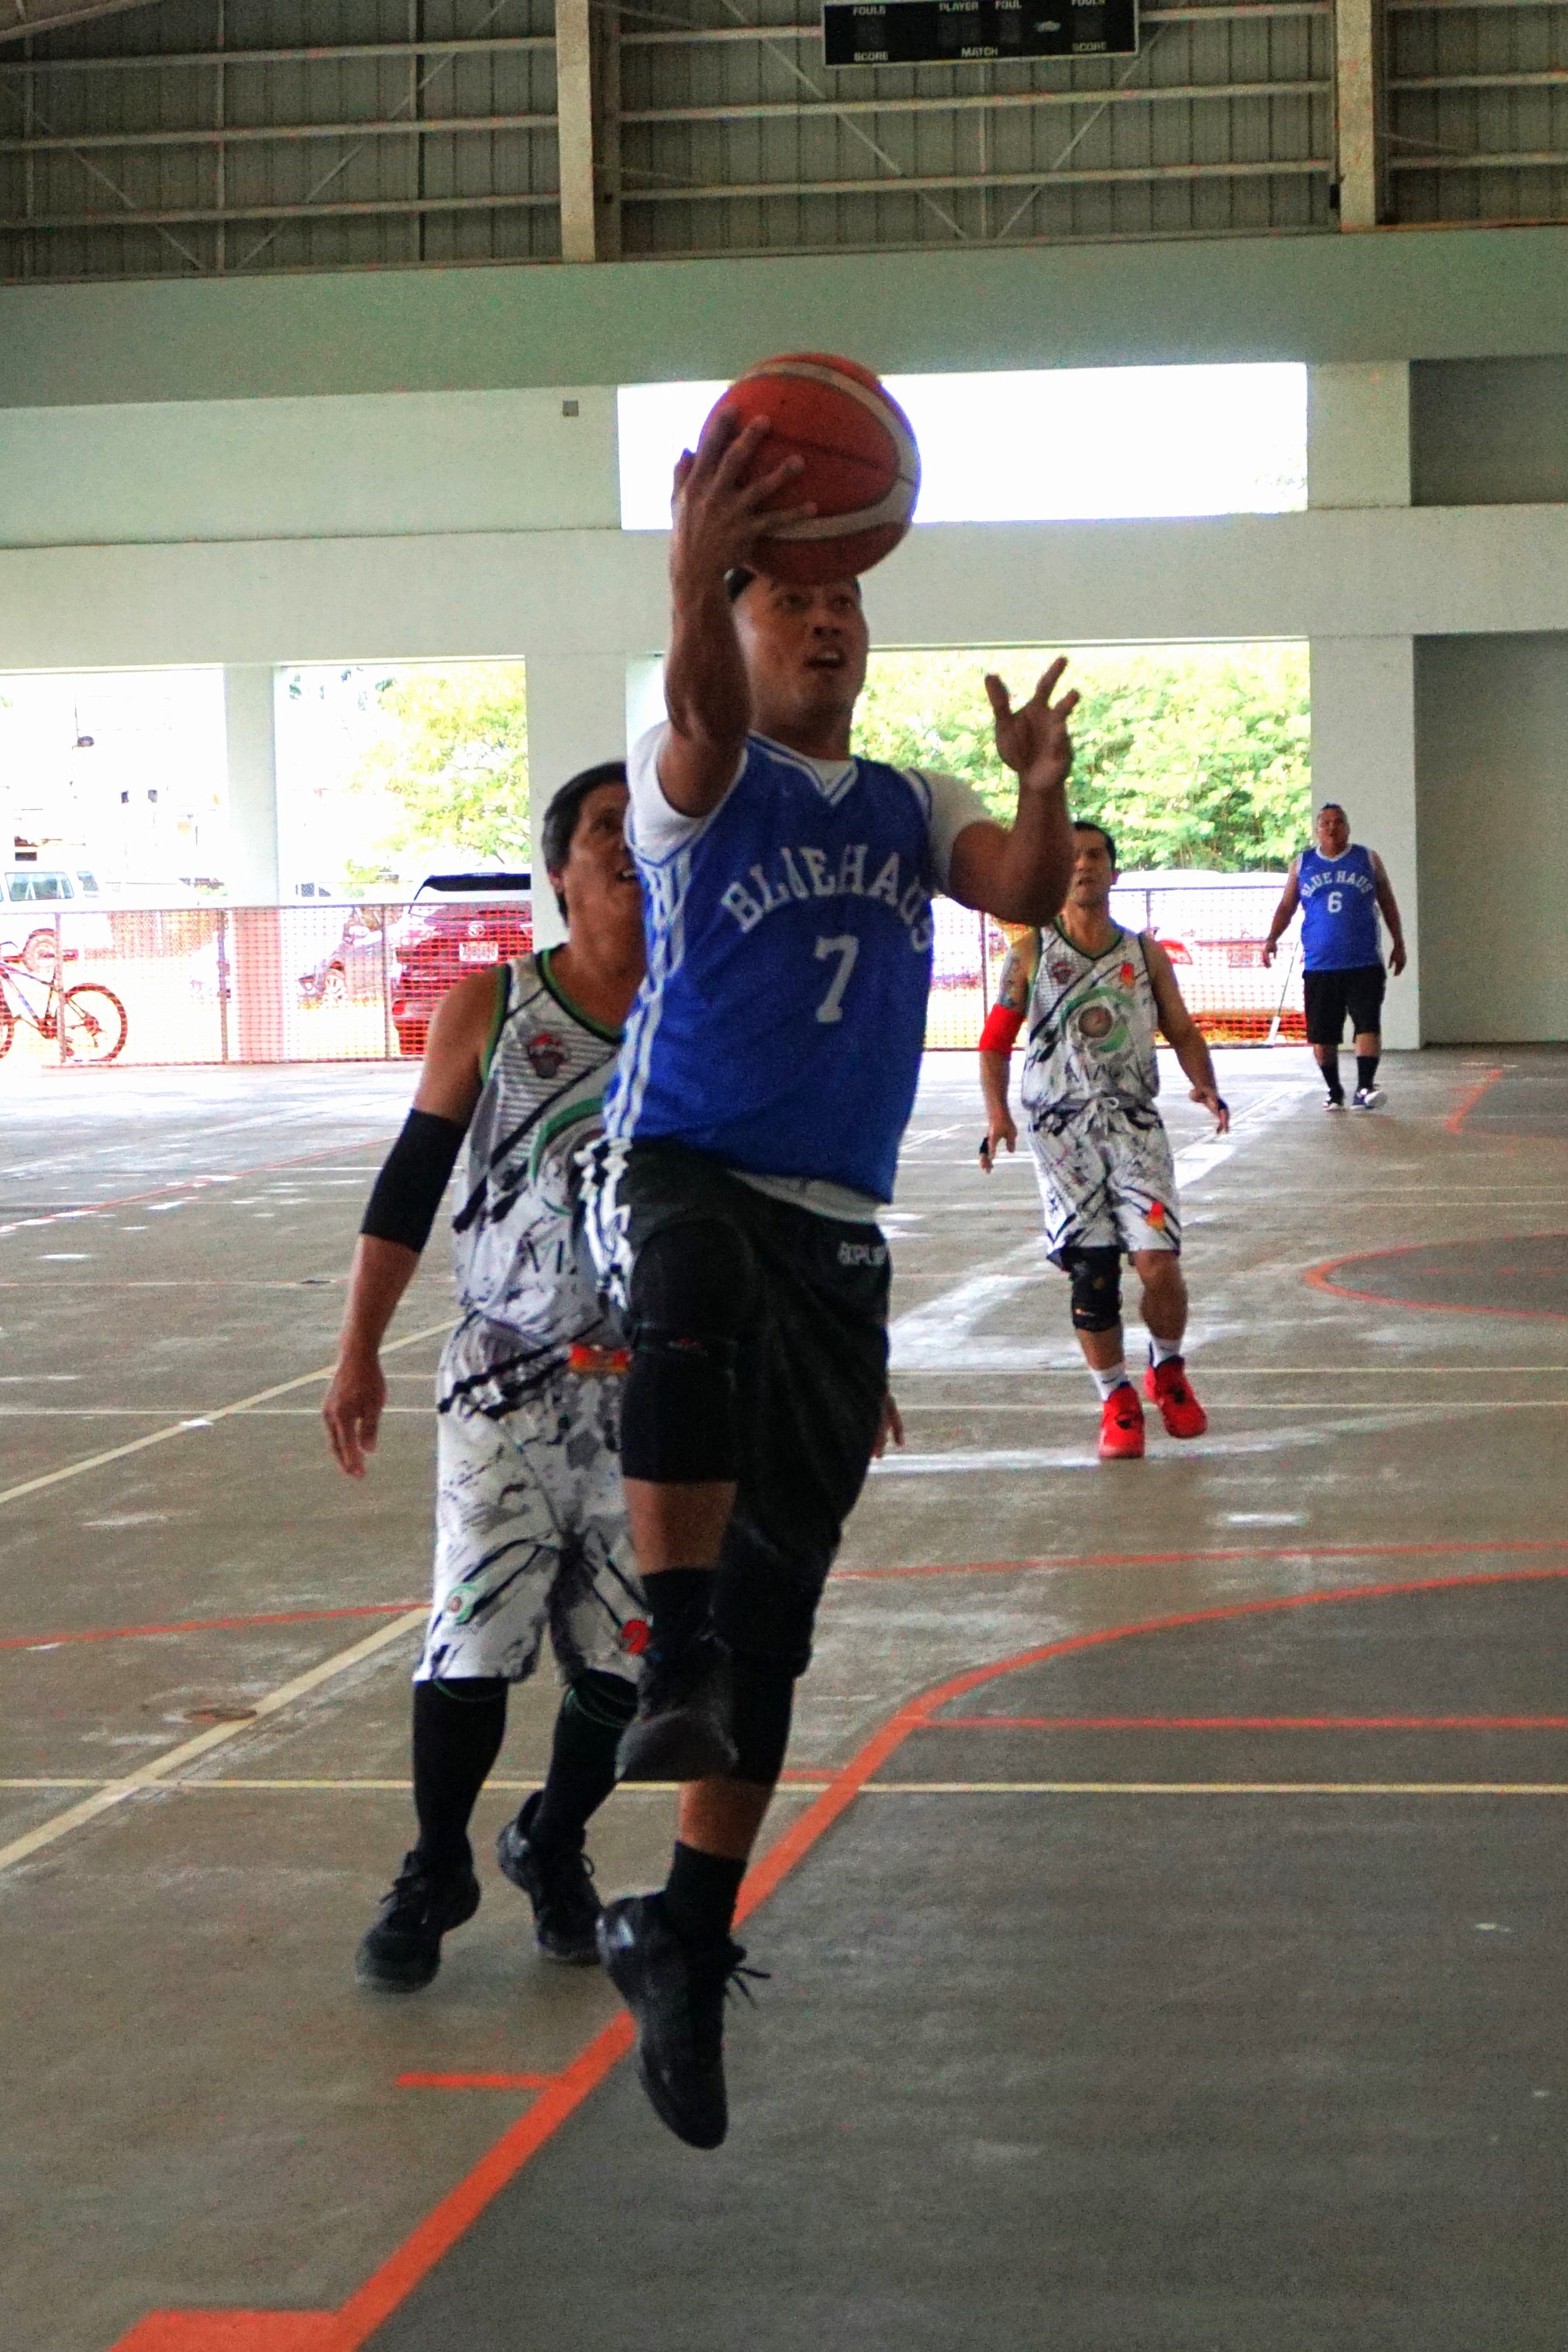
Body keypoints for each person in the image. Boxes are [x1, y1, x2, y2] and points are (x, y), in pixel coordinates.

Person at [579, 404, 1078, 2149]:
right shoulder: (689, 776)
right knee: (690, 1291)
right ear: (729, 630)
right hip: (681, 1162)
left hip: (838, 1227)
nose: (819, 619)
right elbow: (699, 712)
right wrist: (688, 574)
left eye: (837, 600)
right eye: (783, 599)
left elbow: (1021, 886)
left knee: (782, 1617)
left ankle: (683, 1929)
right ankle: (670, 1650)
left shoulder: (909, 800)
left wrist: (1036, 783)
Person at [322, 763, 649, 1992]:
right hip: (504, 1378)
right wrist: (359, 1346)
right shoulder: (494, 1008)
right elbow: (409, 1186)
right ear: (559, 871)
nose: (629, 844)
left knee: (630, 1656)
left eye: (646, 827)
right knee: (470, 1636)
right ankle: (435, 1864)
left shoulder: (701, 1012)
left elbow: (760, 1198)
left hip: (651, 1389)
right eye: (605, 828)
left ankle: (549, 1838)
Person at [977, 820, 1229, 1463]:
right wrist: (997, 1114)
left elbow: (1181, 1029)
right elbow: (995, 1043)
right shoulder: (1030, 954)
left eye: (1094, 856)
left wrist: (1203, 1084)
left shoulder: (1144, 954)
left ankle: (1166, 1367)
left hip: (1133, 1127)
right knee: (1092, 1274)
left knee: (1157, 1262)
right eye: (1070, 857)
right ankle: (1115, 1397)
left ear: (1113, 872)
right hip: (1061, 1135)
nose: (1082, 865)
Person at [1261, 802, 1408, 1110]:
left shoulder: (1367, 859)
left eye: (1338, 822)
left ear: (1347, 828)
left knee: (1367, 1024)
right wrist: (1271, 938)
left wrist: (1399, 942)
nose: (1332, 827)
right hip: (1320, 965)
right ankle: (1334, 1090)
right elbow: (1287, 906)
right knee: (1323, 1036)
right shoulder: (1303, 864)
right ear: (1317, 829)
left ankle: (1364, 1088)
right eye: (1326, 823)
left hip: (1363, 962)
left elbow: (1388, 901)